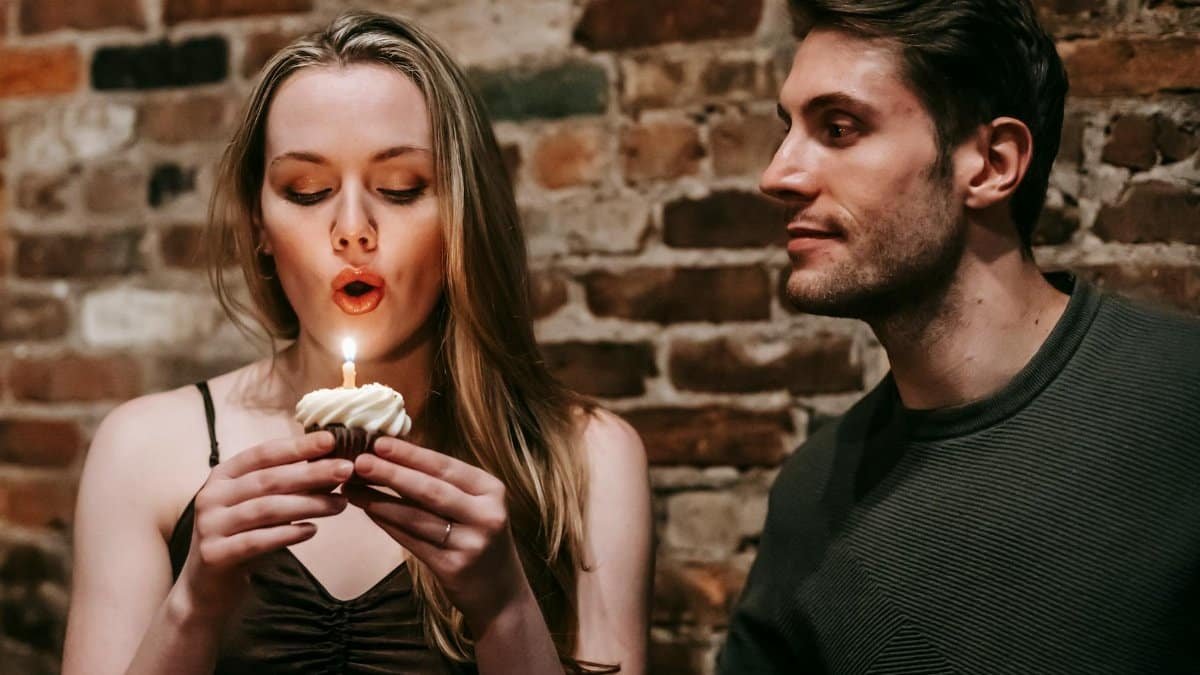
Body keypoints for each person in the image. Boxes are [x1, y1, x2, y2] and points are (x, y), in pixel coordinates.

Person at [61, 11, 652, 675]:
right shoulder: (143, 449)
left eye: (401, 188)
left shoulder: (586, 460)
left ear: (463, 210)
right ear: (260, 221)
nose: (351, 229)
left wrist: (505, 607)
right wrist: (193, 605)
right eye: (307, 191)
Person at [718, 0, 1200, 673]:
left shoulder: (1183, 403)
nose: (778, 175)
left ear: (992, 163)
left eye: (838, 127)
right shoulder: (812, 494)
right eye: (788, 129)